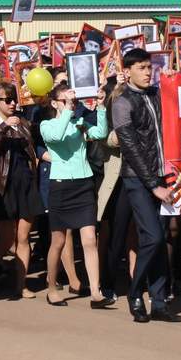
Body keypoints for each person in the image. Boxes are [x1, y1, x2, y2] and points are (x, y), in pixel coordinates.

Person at [111, 48, 181, 324]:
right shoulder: (122, 102)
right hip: (137, 179)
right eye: (141, 67)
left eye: (148, 67)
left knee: (161, 238)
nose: (146, 72)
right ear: (127, 71)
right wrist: (154, 185)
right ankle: (134, 292)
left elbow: (180, 108)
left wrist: (173, 81)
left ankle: (160, 300)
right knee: (151, 236)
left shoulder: (155, 94)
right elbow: (130, 148)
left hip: (163, 176)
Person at [39, 84, 115, 309]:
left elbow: (100, 133)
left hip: (84, 184)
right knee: (59, 241)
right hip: (61, 186)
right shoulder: (48, 124)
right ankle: (52, 287)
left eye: (71, 100)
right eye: (64, 101)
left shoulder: (78, 123)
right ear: (54, 104)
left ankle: (95, 292)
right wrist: (69, 111)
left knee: (90, 238)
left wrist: (101, 107)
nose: (70, 104)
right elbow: (56, 136)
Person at [0, 82, 44, 299]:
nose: (13, 103)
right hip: (2, 186)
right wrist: (4, 127)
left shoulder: (23, 122)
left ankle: (21, 284)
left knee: (24, 238)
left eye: (14, 99)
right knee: (7, 240)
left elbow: (31, 147)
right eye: (8, 100)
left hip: (25, 183)